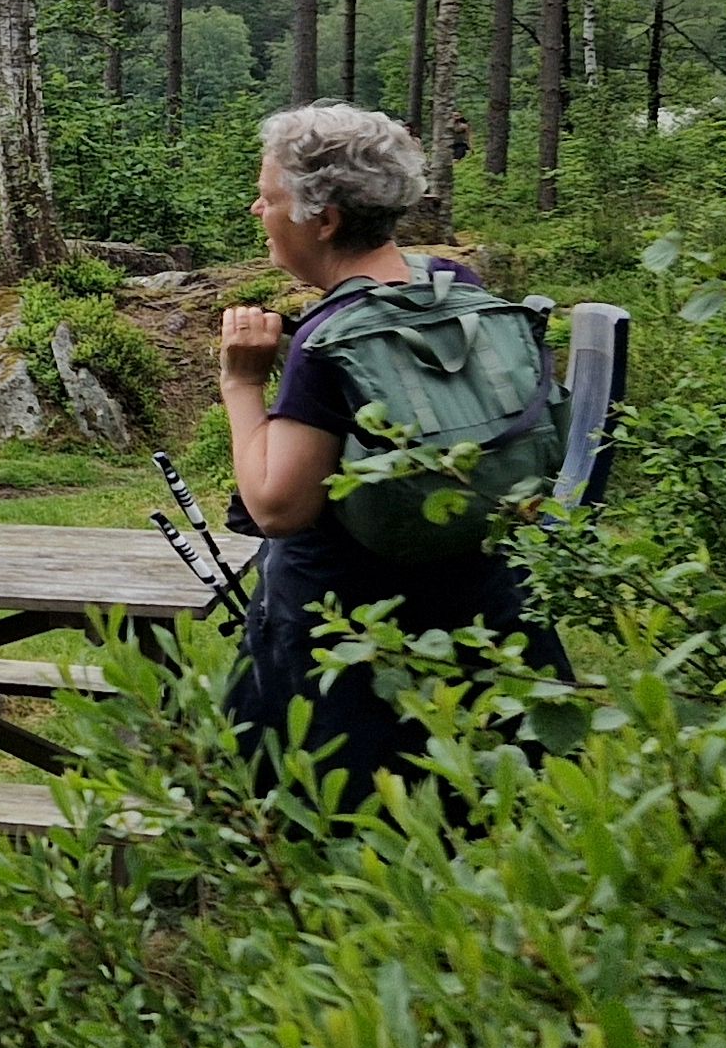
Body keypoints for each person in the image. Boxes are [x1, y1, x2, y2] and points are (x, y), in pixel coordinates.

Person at [215, 102, 548, 791]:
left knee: (341, 820)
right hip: (480, 599)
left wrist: (243, 383)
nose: (257, 209)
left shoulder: (332, 336)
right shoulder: (459, 288)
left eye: (271, 196)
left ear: (324, 218)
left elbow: (278, 506)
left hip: (352, 634)